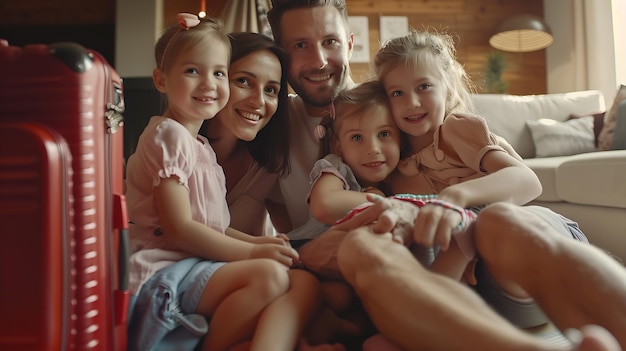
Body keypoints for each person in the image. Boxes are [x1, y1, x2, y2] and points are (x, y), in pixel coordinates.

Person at [331, 28, 626, 350]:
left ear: (448, 87)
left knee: (496, 219)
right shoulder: (391, 162)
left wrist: (456, 196)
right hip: (484, 291)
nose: (412, 102)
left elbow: (527, 181)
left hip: (522, 247)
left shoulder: (457, 130)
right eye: (397, 93)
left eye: (424, 87)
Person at [125, 14, 318, 351]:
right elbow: (180, 228)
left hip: (195, 273)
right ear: (162, 80)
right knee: (270, 277)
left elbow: (211, 226)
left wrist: (262, 246)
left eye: (218, 74)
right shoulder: (170, 136)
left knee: (293, 281)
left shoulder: (203, 150)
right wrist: (252, 252)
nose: (209, 84)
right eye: (243, 80)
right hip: (165, 275)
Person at [199, 31, 341, 351]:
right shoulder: (184, 149)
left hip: (244, 275)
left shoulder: (265, 165)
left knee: (307, 286)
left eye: (271, 90)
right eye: (244, 81)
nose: (258, 101)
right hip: (205, 273)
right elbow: (193, 232)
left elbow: (284, 230)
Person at [266, 0, 356, 233]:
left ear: (349, 44)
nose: (320, 61)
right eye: (300, 45)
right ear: (280, 56)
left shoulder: (394, 108)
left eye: (330, 41)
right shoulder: (270, 119)